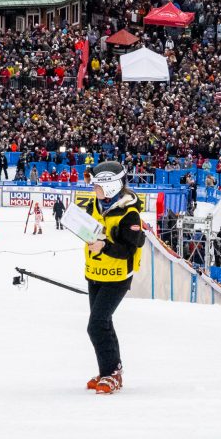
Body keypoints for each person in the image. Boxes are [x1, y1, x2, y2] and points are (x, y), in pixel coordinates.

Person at [80, 162, 146, 394]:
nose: (93, 189)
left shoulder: (129, 214)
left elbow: (130, 249)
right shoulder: (94, 205)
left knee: (96, 325)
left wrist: (104, 246)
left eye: (97, 185)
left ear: (110, 186)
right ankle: (109, 370)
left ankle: (111, 373)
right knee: (103, 323)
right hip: (95, 273)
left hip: (117, 276)